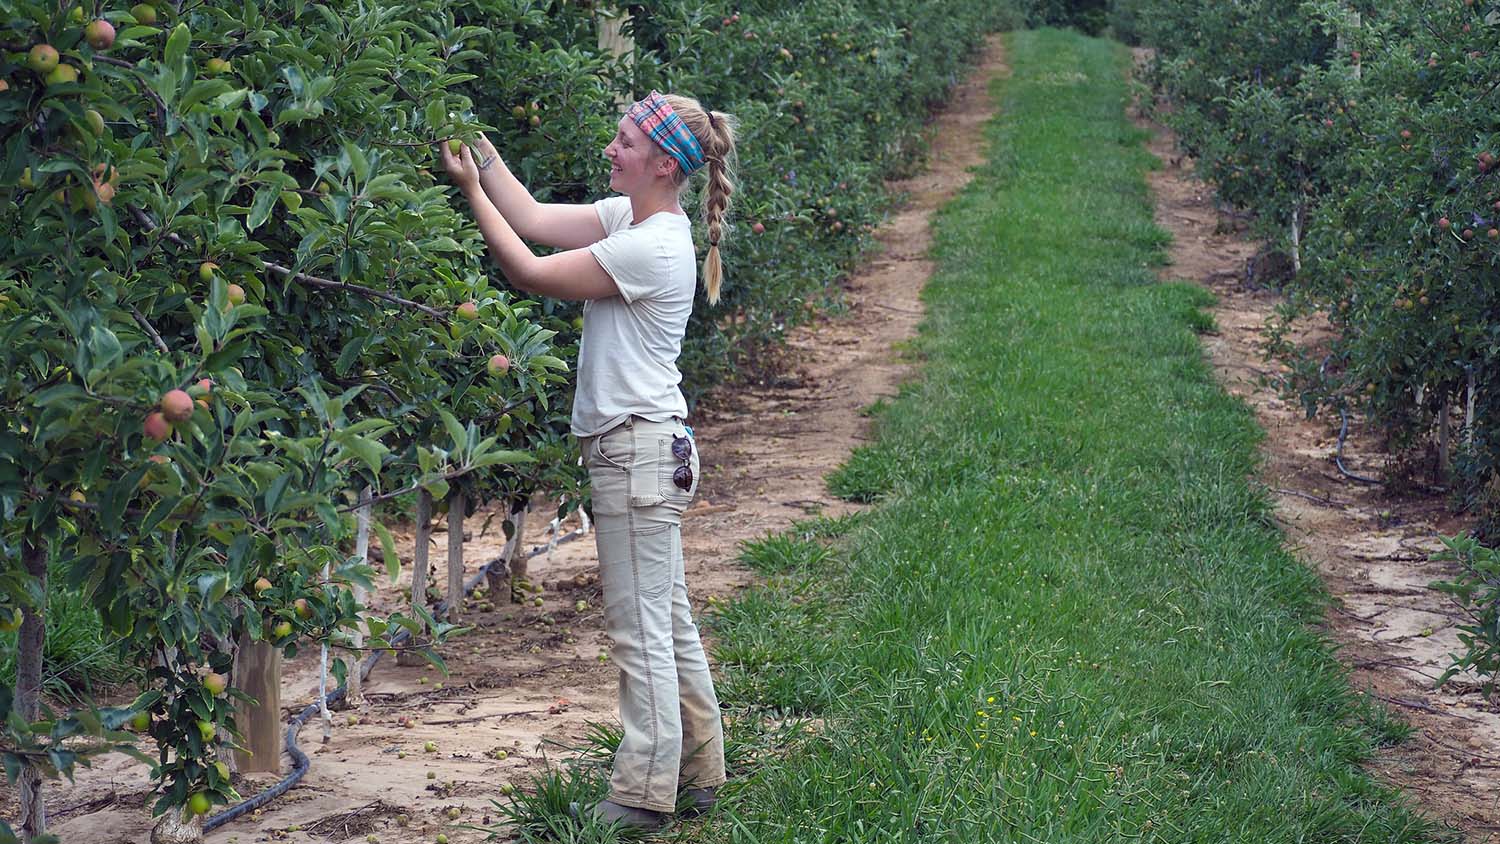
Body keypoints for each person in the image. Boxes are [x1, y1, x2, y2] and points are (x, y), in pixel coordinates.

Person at [440, 91, 737, 831]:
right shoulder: (631, 218)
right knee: (666, 620)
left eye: (626, 142)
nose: (611, 150)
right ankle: (699, 772)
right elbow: (536, 218)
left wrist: (471, 191)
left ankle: (642, 793)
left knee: (641, 630)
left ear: (664, 164)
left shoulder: (651, 246)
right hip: (647, 449)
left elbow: (532, 272)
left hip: (636, 454)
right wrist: (481, 148)